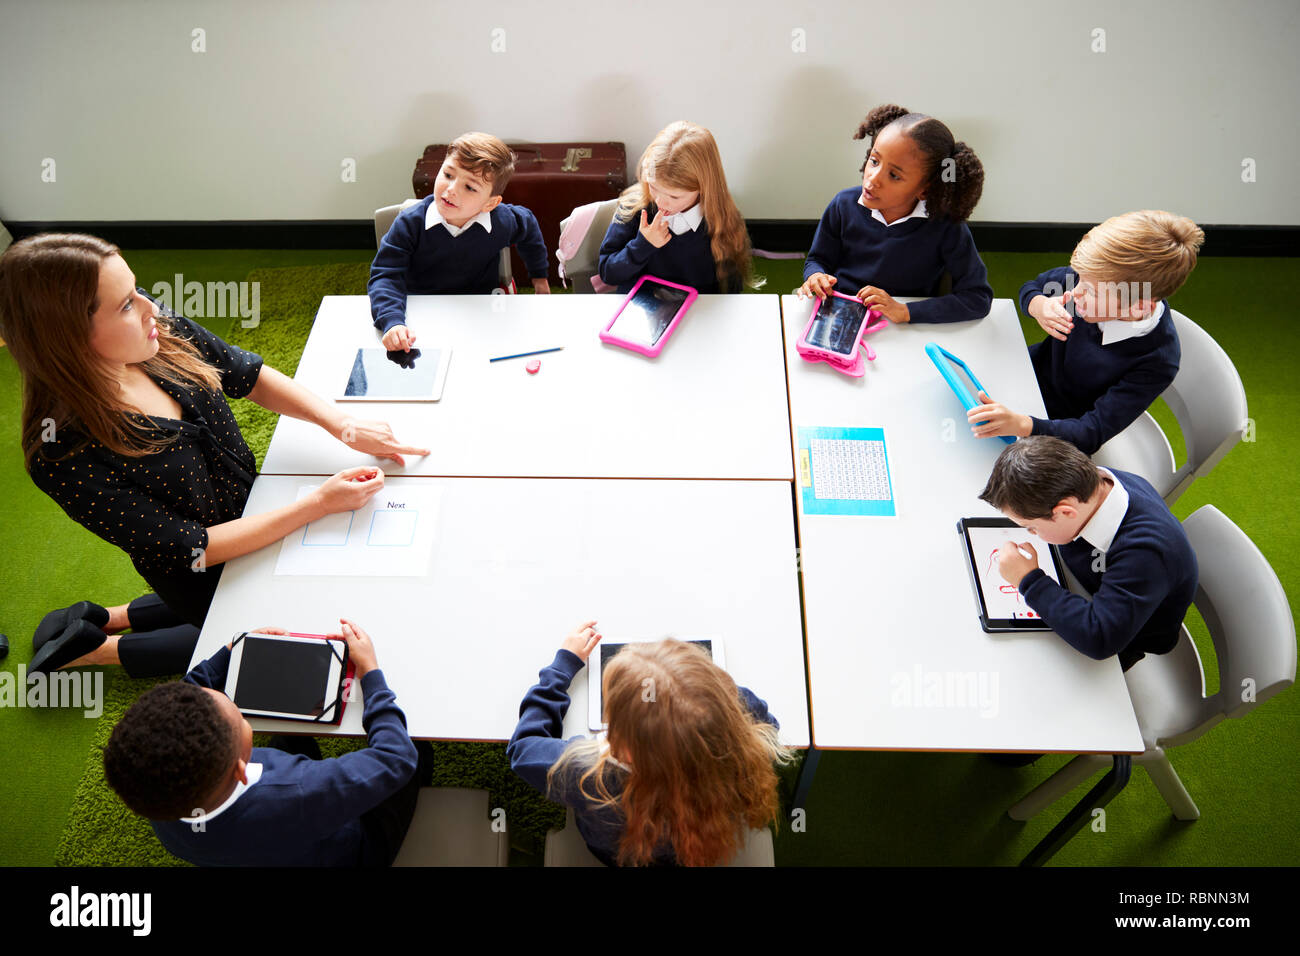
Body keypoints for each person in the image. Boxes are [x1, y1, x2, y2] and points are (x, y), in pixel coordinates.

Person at [0, 233, 429, 675]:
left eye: (136, 289)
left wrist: (342, 424)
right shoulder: (61, 454)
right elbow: (194, 549)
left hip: (259, 510)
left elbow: (248, 375)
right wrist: (317, 505)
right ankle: (91, 650)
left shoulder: (152, 329)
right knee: (265, 643)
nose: (152, 309)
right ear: (66, 337)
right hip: (201, 570)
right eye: (126, 304)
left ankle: (112, 617)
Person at [103, 618, 432, 866]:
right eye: (239, 717)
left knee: (290, 736)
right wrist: (370, 673)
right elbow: (395, 758)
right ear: (241, 770)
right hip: (354, 851)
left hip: (243, 847)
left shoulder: (156, 790)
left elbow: (190, 692)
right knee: (417, 747)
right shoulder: (299, 792)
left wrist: (233, 653)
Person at [507, 623, 792, 866]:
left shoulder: (586, 773)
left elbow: (524, 748)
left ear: (627, 750)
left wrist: (562, 667)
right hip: (702, 848)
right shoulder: (745, 749)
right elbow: (761, 716)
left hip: (617, 856)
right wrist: (709, 691)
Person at [966, 210, 1204, 455]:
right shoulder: (1097, 280)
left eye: (1090, 291)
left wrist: (1022, 423)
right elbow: (1033, 287)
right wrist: (1039, 306)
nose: (1075, 291)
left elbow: (1090, 432)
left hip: (1054, 428)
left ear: (1140, 306)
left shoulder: (1157, 361)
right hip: (1022, 376)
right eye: (1078, 277)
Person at [979, 436, 1197, 672]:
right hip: (1090, 589)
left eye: (1032, 528)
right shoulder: (1093, 483)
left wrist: (1028, 581)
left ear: (1065, 511)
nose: (1032, 534)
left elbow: (1100, 638)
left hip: (1124, 639)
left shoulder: (1147, 555)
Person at [799, 104, 992, 324]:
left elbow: (978, 298)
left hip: (903, 329)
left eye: (894, 175)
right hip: (841, 316)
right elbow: (817, 260)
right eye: (874, 161)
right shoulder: (843, 205)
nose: (872, 178)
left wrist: (905, 311)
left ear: (925, 189)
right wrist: (815, 276)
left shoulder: (946, 227)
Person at [369, 131, 550, 352]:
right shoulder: (409, 224)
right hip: (421, 310)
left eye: (470, 187)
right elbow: (385, 274)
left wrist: (539, 277)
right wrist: (392, 321)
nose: (451, 189)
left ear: (490, 204)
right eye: (448, 174)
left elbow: (529, 227)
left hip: (481, 310)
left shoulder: (503, 221)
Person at [598, 122, 755, 295]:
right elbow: (608, 273)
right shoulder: (633, 209)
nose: (661, 203)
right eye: (654, 187)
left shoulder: (721, 217)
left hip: (698, 308)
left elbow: (731, 284)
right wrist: (643, 245)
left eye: (674, 197)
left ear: (703, 188)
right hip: (643, 307)